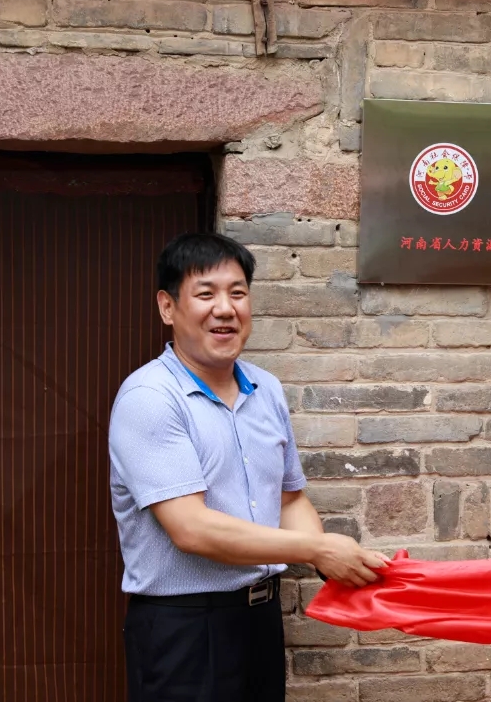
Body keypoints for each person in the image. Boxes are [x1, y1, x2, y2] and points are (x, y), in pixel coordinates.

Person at [109, 233, 388, 702]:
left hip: (259, 619)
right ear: (167, 307)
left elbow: (289, 499)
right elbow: (191, 529)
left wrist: (337, 566)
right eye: (206, 294)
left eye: (237, 293)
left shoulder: (266, 389)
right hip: (184, 629)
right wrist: (317, 549)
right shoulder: (150, 399)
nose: (225, 309)